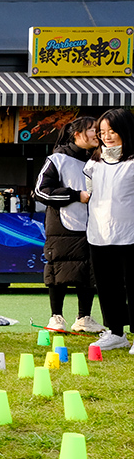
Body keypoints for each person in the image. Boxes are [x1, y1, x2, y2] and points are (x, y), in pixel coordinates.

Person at [33, 116, 103, 334]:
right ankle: (56, 317)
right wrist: (74, 195)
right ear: (77, 134)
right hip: (62, 226)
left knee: (89, 272)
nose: (97, 134)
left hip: (93, 225)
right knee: (58, 270)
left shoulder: (98, 160)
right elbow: (40, 192)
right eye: (92, 130)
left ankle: (84, 318)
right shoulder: (57, 159)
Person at [85, 108, 134, 351]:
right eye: (102, 132)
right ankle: (116, 332)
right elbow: (90, 193)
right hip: (99, 234)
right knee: (107, 285)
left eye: (112, 131)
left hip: (130, 234)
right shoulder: (94, 162)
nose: (107, 136)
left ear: (125, 131)